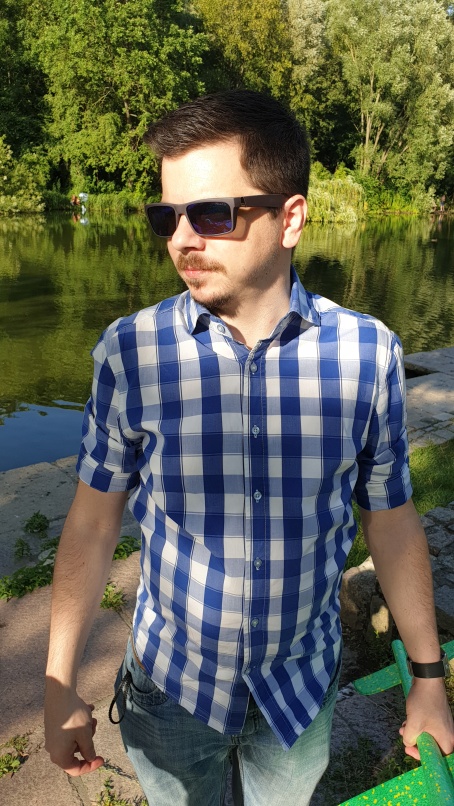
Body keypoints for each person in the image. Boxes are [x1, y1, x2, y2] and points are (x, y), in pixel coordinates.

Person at [44, 90, 454, 806]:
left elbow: (390, 519)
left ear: (290, 218)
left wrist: (427, 677)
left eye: (211, 213)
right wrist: (57, 682)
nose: (181, 239)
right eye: (166, 217)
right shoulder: (131, 353)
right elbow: (91, 522)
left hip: (300, 692)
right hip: (171, 690)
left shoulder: (368, 355)